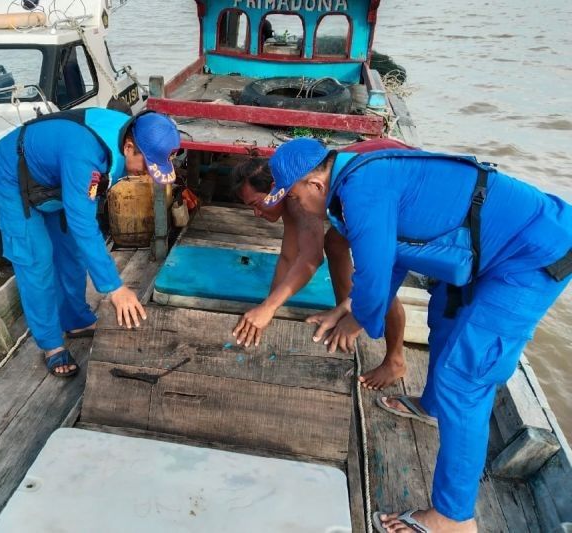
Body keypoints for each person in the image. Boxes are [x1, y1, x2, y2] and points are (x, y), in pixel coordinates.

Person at [262, 137, 572, 532]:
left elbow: (375, 275)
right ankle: (433, 406)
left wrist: (360, 319)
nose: (296, 207)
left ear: (315, 185)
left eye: (292, 197)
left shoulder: (361, 190)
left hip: (530, 256)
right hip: (489, 247)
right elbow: (390, 257)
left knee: (467, 379)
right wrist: (357, 307)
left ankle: (453, 518)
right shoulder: (355, 179)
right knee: (445, 314)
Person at [0, 108, 180, 378]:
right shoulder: (86, 154)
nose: (147, 174)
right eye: (146, 165)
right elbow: (83, 224)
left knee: (70, 252)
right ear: (130, 146)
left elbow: (84, 212)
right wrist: (115, 288)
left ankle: (75, 320)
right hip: (10, 177)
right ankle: (51, 344)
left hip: (53, 179)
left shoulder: (134, 132)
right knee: (36, 260)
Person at [231, 138, 413, 390]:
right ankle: (344, 309)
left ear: (277, 190)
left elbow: (310, 258)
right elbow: (288, 257)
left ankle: (394, 359)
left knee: (379, 276)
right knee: (335, 243)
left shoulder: (298, 195)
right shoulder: (293, 190)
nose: (257, 214)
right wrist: (266, 310)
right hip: (373, 178)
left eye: (256, 204)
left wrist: (269, 308)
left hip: (394, 185)